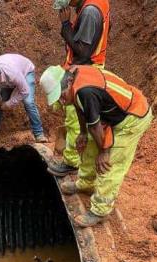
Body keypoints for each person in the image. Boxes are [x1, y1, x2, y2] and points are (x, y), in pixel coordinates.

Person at [39, 64, 153, 226]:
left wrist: (104, 151)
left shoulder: (86, 91)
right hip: (112, 114)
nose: (62, 100)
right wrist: (83, 133)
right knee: (89, 146)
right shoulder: (73, 79)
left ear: (68, 82)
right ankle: (86, 183)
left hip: (132, 118)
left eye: (61, 95)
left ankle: (100, 210)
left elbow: (95, 125)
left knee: (109, 164)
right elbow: (78, 107)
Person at [49, 0, 111, 177]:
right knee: (70, 113)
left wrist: (66, 25)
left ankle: (72, 162)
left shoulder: (90, 12)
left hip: (85, 69)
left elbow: (83, 53)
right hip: (88, 68)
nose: (68, 6)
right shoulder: (94, 4)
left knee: (74, 118)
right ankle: (73, 156)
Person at [0, 54, 47, 146]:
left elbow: (24, 91)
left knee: (28, 102)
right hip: (8, 80)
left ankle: (39, 134)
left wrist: (8, 104)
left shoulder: (12, 73)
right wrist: (0, 100)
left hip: (25, 72)